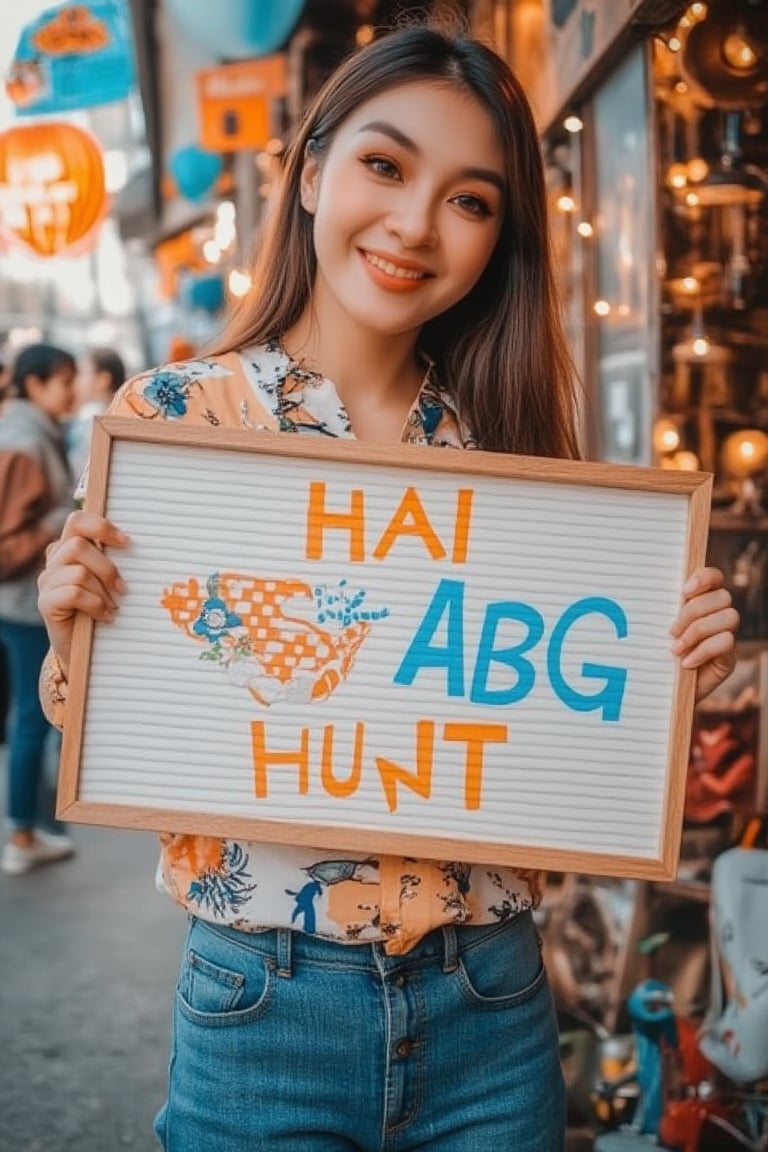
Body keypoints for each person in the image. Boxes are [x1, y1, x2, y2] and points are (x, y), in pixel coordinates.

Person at [37, 21, 739, 1151]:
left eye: (472, 199)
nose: (416, 224)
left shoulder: (511, 456)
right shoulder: (176, 425)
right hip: (262, 1003)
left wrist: (667, 675)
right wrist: (80, 632)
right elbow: (102, 727)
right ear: (311, 170)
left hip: (494, 1002)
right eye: (384, 165)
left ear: (501, 238)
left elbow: (553, 752)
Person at [1, 342, 77, 876]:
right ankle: (22, 834)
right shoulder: (25, 441)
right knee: (32, 718)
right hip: (26, 605)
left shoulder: (31, 434)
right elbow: (7, 541)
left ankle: (32, 826)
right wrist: (60, 522)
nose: (71, 390)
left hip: (27, 602)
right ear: (33, 384)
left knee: (31, 718)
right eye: (62, 380)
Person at [66, 345, 127, 480]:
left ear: (103, 380)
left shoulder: (90, 417)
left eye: (82, 374)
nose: (76, 381)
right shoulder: (124, 416)